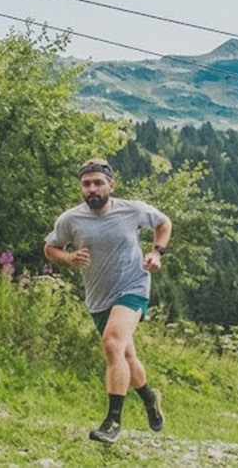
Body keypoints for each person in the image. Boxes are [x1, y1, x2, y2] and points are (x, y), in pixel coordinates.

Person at [43, 158, 172, 444]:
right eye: (86, 184)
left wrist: (156, 253)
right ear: (81, 188)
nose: (92, 189)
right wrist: (69, 258)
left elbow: (164, 223)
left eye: (98, 183)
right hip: (98, 297)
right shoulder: (70, 220)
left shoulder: (133, 209)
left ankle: (112, 421)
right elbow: (51, 248)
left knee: (112, 343)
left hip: (134, 284)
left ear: (111, 186)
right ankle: (150, 398)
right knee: (126, 355)